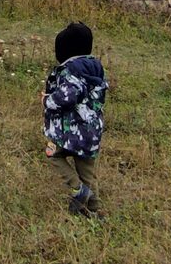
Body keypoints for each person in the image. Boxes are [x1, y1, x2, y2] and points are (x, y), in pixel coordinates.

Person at [42, 21, 108, 218]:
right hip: (91, 135)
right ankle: (93, 211)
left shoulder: (70, 71)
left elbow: (68, 96)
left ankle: (77, 189)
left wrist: (47, 100)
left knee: (52, 153)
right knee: (88, 173)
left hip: (69, 132)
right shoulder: (96, 68)